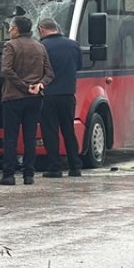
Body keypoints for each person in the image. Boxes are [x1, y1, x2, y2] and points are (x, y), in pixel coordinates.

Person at [0, 16, 54, 186]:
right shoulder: (40, 46)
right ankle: (29, 174)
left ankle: (9, 175)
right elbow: (50, 73)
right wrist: (39, 85)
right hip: (35, 98)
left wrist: (23, 86)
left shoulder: (10, 45)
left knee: (11, 137)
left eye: (10, 27)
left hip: (13, 97)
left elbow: (6, 70)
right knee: (30, 136)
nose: (9, 30)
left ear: (16, 29)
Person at [36, 17, 82, 178]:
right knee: (68, 130)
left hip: (48, 95)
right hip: (68, 94)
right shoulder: (73, 45)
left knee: (50, 131)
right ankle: (75, 167)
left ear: (41, 30)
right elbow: (79, 66)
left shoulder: (41, 47)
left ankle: (55, 167)